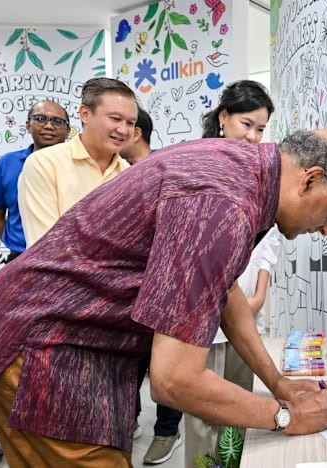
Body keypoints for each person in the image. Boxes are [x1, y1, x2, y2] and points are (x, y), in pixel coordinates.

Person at [0, 129, 327, 466]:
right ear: (310, 179)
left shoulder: (243, 171)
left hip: (67, 340)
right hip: (41, 349)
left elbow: (222, 291)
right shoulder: (224, 204)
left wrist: (278, 383)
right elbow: (174, 381)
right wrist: (286, 416)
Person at [183, 78, 276, 466]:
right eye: (246, 125)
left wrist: (257, 297)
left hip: (244, 312)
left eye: (260, 129)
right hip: (202, 314)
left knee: (240, 406)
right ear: (224, 117)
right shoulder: (199, 162)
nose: (253, 137)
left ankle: (232, 465)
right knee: (205, 414)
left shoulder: (260, 172)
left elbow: (267, 240)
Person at [0, 99, 70, 454]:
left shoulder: (78, 165)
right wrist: (15, 242)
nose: (48, 126)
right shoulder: (7, 164)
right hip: (21, 262)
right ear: (27, 124)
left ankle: (55, 426)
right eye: (41, 119)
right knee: (12, 347)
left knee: (57, 349)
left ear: (69, 129)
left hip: (66, 270)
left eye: (57, 121)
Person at [121, 107, 188, 465]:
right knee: (127, 365)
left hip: (165, 292)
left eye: (124, 123)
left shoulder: (167, 170)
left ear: (137, 132)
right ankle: (128, 421)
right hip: (123, 296)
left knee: (165, 365)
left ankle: (167, 431)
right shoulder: (112, 173)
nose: (116, 131)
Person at [18, 77, 135, 247]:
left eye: (130, 123)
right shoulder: (44, 164)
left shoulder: (131, 175)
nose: (123, 130)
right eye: (115, 119)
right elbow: (46, 249)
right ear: (85, 114)